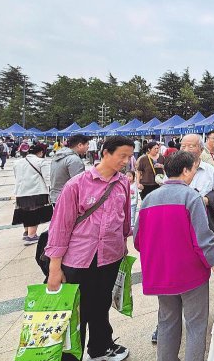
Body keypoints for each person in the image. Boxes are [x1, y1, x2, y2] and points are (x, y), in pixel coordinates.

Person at [45, 136, 134, 361]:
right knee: (77, 312)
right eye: (122, 156)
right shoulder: (76, 184)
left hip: (110, 256)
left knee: (101, 305)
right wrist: (55, 268)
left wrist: (123, 246)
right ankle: (71, 357)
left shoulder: (123, 182)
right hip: (80, 259)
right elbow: (60, 227)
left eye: (129, 157)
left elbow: (124, 219)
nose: (126, 161)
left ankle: (100, 348)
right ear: (105, 153)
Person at [135, 151, 214, 361]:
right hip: (190, 273)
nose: (194, 173)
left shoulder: (149, 199)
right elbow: (203, 240)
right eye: (194, 169)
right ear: (185, 171)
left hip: (161, 274)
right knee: (196, 324)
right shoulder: (191, 197)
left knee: (167, 321)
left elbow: (138, 240)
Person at [12, 143, 51, 245]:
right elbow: (47, 178)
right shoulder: (41, 161)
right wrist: (50, 189)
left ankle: (26, 232)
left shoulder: (17, 162)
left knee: (25, 212)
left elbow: (16, 176)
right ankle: (31, 236)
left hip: (21, 191)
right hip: (36, 191)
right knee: (34, 213)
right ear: (41, 152)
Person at [50, 134, 90, 205]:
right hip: (67, 199)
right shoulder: (74, 160)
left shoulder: (58, 156)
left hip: (56, 197)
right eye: (87, 144)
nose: (88, 147)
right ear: (80, 145)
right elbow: (79, 183)